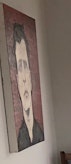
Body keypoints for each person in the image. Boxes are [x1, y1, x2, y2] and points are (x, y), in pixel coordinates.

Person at [13, 23, 43, 151]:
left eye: (25, 66)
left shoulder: (39, 131)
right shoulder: (20, 136)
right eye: (20, 68)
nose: (24, 78)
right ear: (16, 78)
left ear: (30, 76)